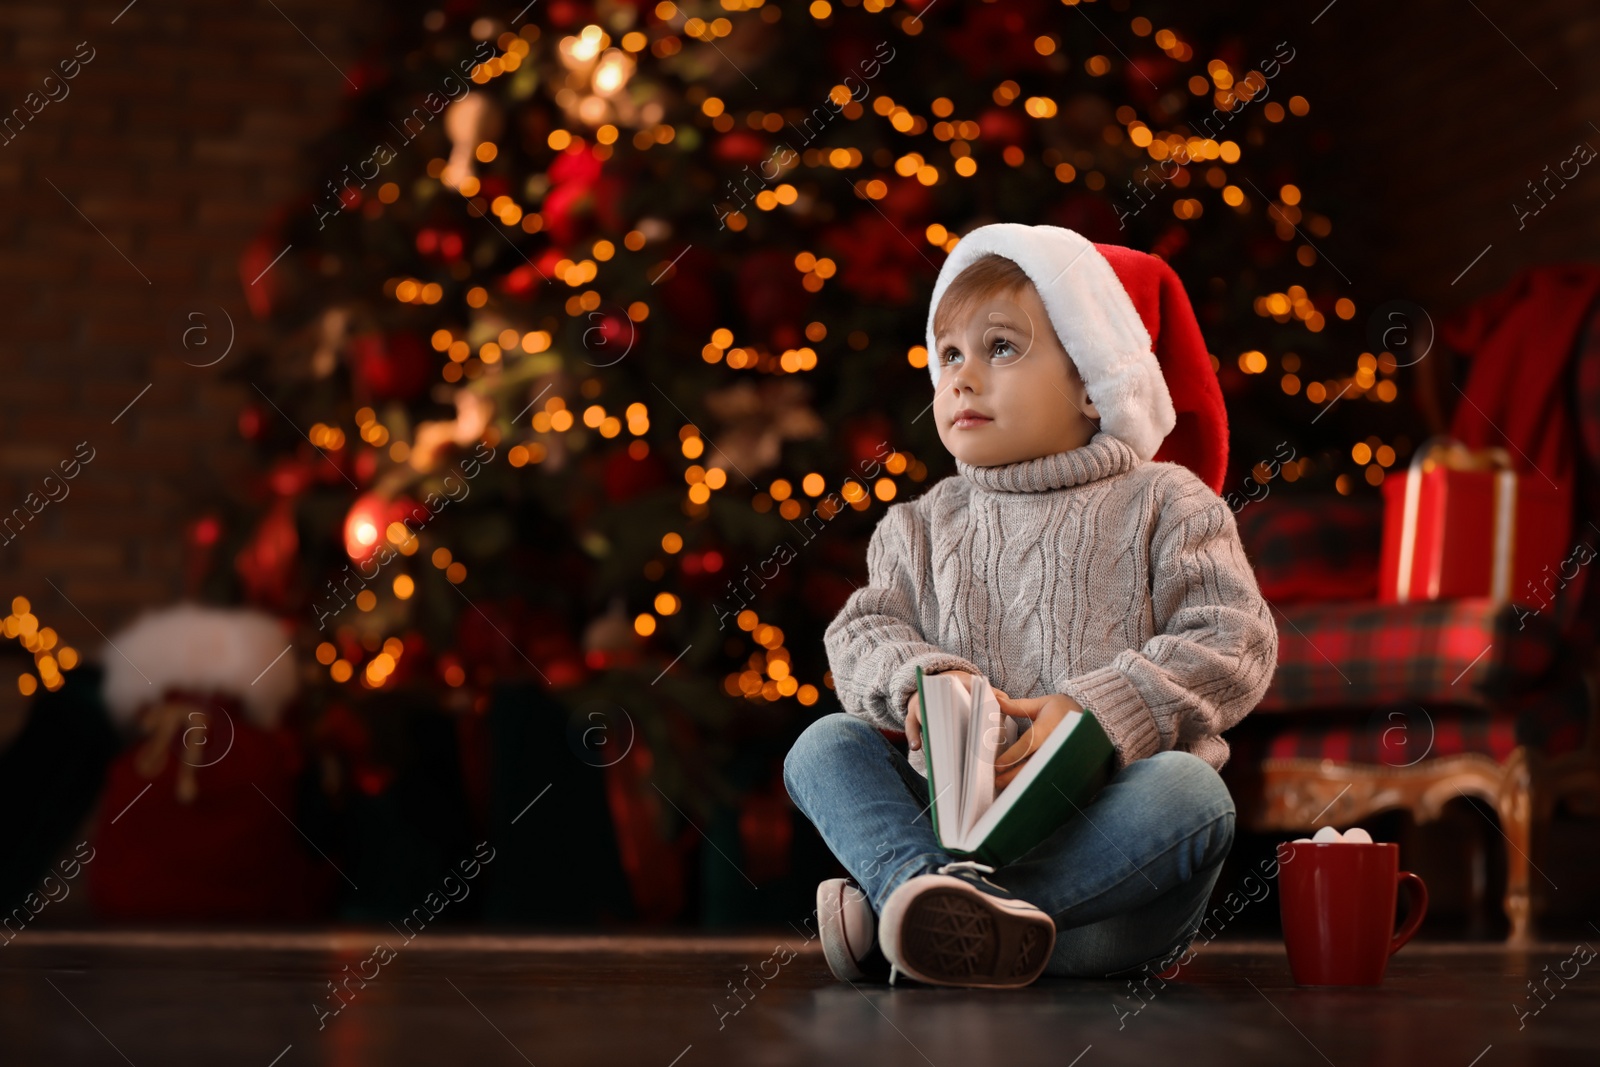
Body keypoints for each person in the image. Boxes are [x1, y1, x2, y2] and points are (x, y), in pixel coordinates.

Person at [783, 223, 1279, 988]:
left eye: (1001, 348)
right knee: (824, 745)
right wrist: (922, 676)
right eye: (948, 354)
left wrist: (1097, 708)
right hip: (953, 829)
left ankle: (920, 918)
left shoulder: (1166, 500)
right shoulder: (918, 524)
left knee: (1194, 793)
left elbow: (1233, 639)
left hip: (1105, 886)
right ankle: (928, 893)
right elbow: (861, 630)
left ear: (1094, 380)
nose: (962, 378)